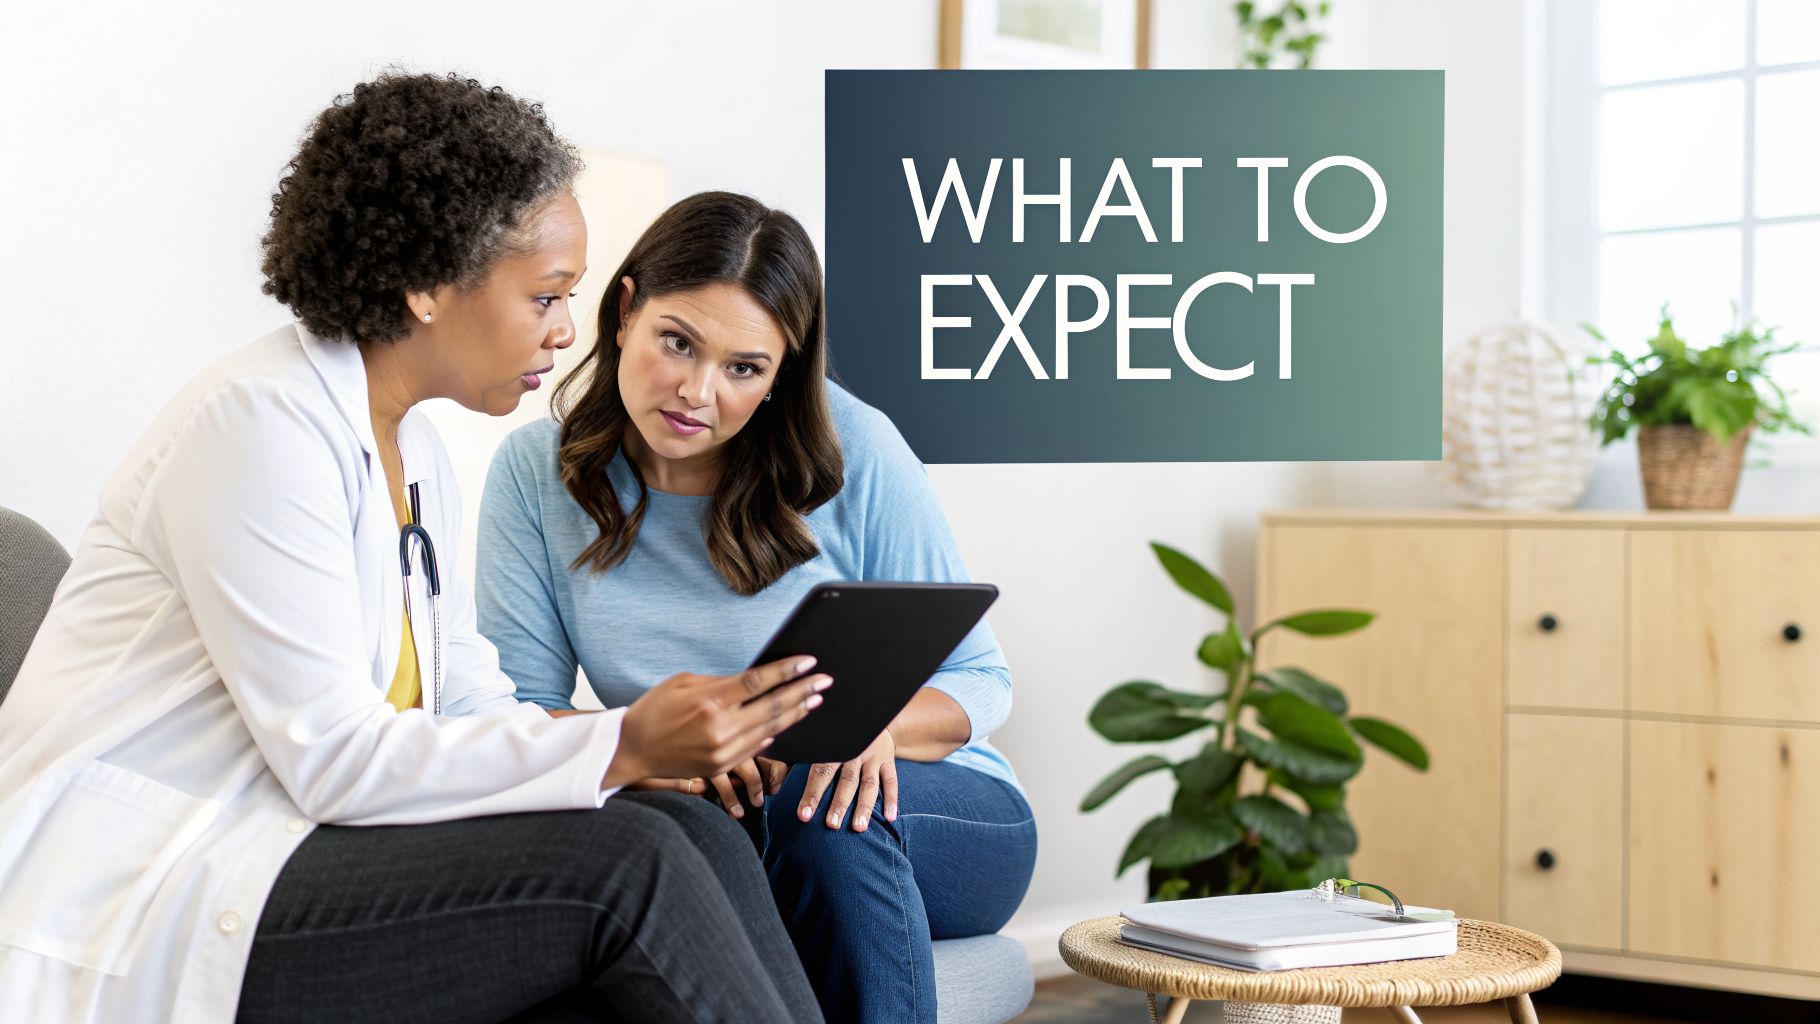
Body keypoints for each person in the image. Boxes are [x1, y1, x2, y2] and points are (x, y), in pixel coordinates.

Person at [0, 73, 828, 1024]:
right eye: (547, 295)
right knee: (626, 867)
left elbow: (467, 700)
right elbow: (337, 761)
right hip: (149, 893)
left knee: (685, 824)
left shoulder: (416, 451)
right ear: (430, 283)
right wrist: (623, 739)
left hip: (293, 848)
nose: (567, 330)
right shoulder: (258, 426)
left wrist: (644, 757)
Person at [475, 191, 1038, 1024]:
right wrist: (640, 753)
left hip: (937, 811)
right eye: (678, 343)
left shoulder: (858, 448)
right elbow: (519, 709)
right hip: (708, 811)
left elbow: (981, 682)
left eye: (744, 369)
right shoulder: (535, 473)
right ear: (626, 310)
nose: (698, 393)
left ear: (780, 374)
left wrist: (871, 727)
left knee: (816, 798)